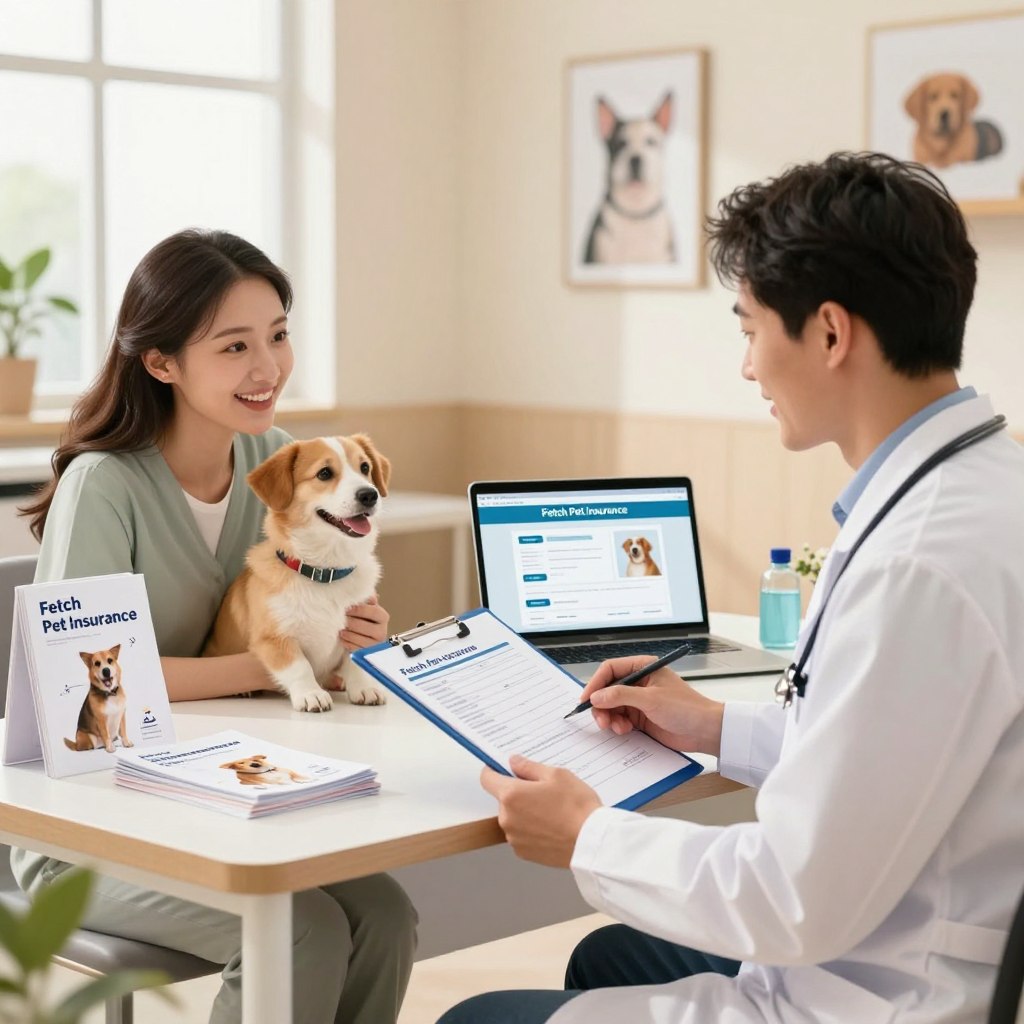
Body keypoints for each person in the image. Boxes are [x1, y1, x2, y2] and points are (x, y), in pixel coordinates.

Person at [437, 152, 1024, 1023]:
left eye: (750, 330)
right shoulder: (982, 487)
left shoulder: (918, 564)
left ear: (829, 334)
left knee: (468, 1019)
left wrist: (587, 836)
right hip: (891, 926)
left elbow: (795, 896)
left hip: (872, 991)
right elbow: (888, 753)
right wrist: (715, 725)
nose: (748, 367)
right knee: (610, 953)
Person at [13, 229, 418, 1024]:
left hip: (214, 789)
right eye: (234, 346)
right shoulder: (105, 487)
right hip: (91, 823)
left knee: (385, 919)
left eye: (277, 336)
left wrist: (344, 635)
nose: (266, 368)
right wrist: (278, 662)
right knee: (300, 933)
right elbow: (86, 691)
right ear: (161, 363)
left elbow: (305, 606)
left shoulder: (276, 461)